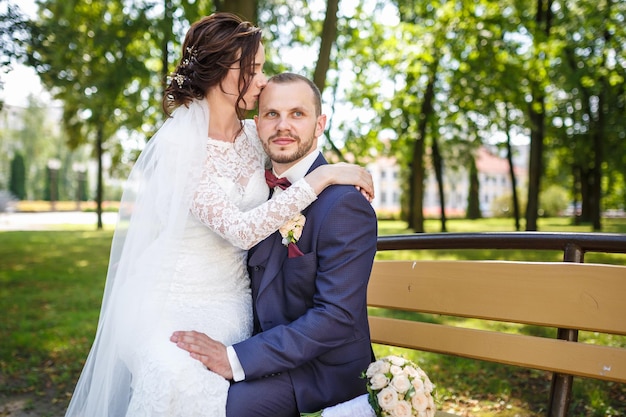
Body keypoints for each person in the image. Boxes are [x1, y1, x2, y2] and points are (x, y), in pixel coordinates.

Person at [64, 14, 374, 417]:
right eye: (256, 69)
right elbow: (239, 229)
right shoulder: (180, 146)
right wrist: (325, 176)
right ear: (224, 72)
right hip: (170, 297)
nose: (263, 81)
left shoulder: (253, 135)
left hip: (232, 299)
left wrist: (333, 171)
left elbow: (294, 151)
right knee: (172, 373)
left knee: (203, 383)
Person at [171, 73, 378, 416]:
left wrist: (234, 359)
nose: (284, 126)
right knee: (180, 380)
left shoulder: (343, 203)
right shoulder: (259, 195)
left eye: (298, 114)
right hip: (265, 349)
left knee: (227, 407)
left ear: (320, 123)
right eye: (272, 114)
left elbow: (337, 316)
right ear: (256, 125)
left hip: (324, 370)